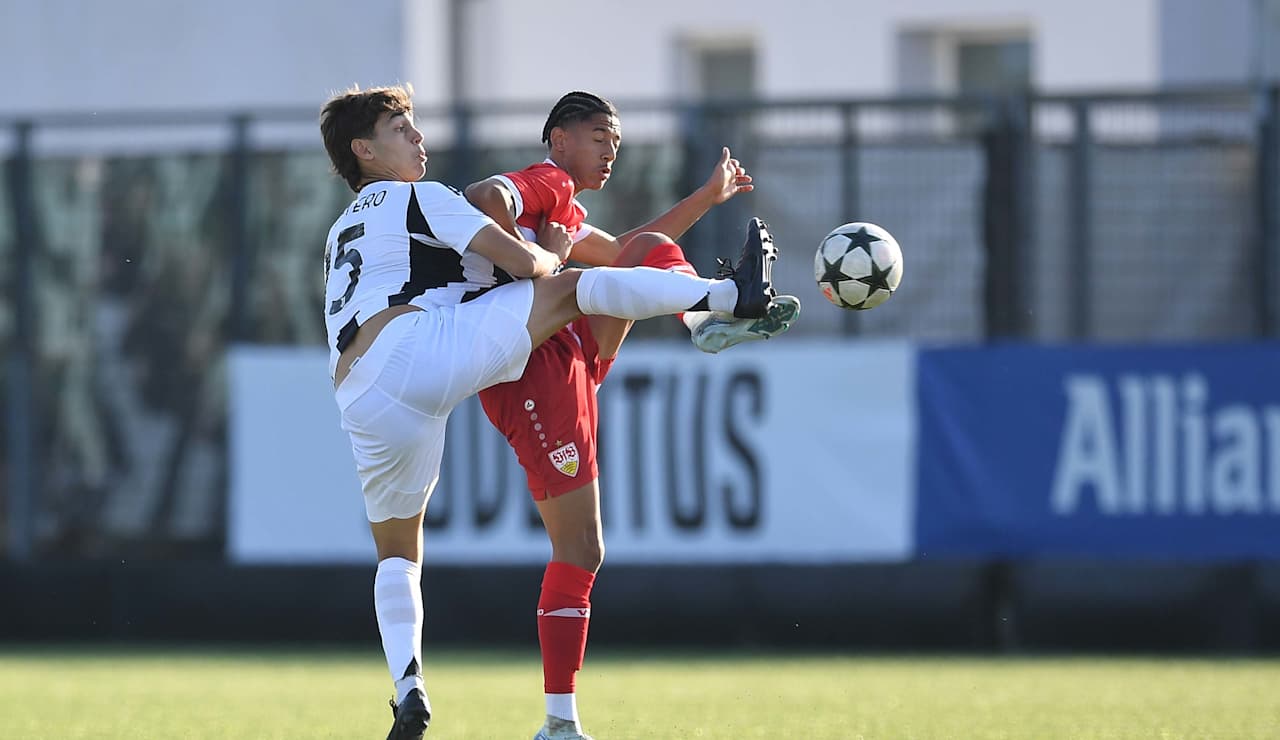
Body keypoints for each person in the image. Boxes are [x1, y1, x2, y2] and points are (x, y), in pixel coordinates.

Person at [318, 83, 782, 740]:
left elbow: (624, 250)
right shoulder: (425, 197)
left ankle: (408, 687)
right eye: (401, 128)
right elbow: (530, 258)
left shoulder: (341, 231)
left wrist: (701, 200)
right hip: (417, 350)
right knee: (570, 288)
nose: (418, 138)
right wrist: (552, 248)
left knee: (398, 555)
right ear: (364, 150)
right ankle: (724, 298)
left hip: (360, 393)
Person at [464, 91, 800, 740]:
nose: (610, 149)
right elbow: (484, 196)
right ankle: (557, 724)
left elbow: (628, 255)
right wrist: (541, 257)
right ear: (559, 139)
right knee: (580, 547)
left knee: (641, 248)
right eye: (599, 135)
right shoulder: (547, 181)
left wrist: (707, 197)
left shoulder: (563, 206)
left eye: (615, 140)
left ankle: (705, 320)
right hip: (532, 369)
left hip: (567, 357)